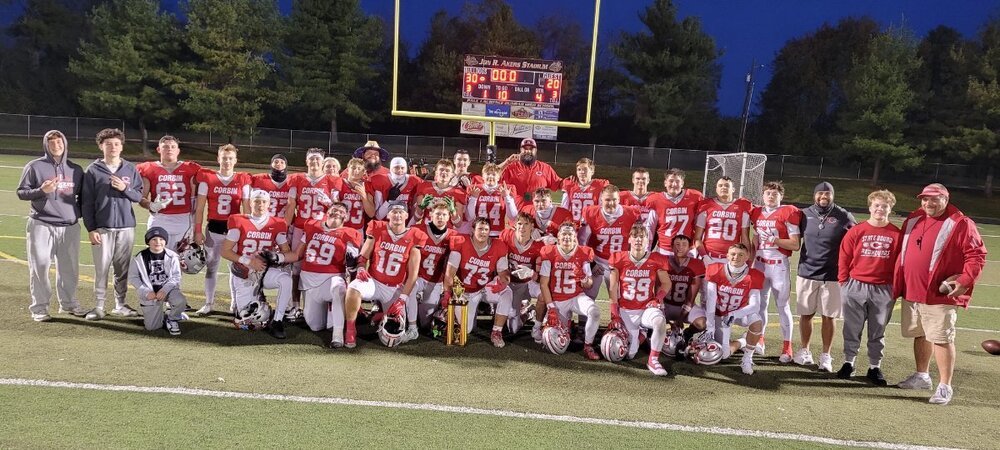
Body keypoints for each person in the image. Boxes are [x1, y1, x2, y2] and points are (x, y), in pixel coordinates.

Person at [894, 183, 987, 405]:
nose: (928, 203)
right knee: (921, 334)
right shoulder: (914, 219)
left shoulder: (960, 223)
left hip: (938, 293)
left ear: (946, 199)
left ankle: (945, 386)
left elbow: (976, 254)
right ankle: (921, 375)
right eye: (925, 199)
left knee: (942, 338)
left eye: (934, 199)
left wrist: (965, 280)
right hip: (913, 290)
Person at [18, 130, 86, 321]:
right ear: (46, 146)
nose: (56, 146)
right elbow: (21, 192)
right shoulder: (35, 167)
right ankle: (39, 308)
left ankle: (69, 304)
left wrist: (76, 214)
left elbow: (82, 197)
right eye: (52, 143)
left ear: (65, 144)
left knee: (70, 268)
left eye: (59, 142)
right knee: (40, 266)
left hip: (69, 226)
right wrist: (42, 190)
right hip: (42, 223)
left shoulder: (76, 169)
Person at [836, 190, 901, 385]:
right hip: (855, 285)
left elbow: (900, 263)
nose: (880, 209)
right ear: (870, 207)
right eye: (877, 205)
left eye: (884, 206)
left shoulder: (896, 234)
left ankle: (874, 366)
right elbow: (844, 256)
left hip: (883, 288)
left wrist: (895, 288)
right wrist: (843, 282)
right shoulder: (857, 230)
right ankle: (849, 362)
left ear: (890, 209)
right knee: (851, 327)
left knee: (877, 329)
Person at [81, 128, 145, 321]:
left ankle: (120, 304)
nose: (113, 147)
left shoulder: (130, 168)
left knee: (122, 268)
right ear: (101, 146)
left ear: (121, 146)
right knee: (101, 268)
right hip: (103, 227)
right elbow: (86, 202)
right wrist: (91, 228)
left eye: (117, 144)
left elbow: (138, 196)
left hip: (126, 226)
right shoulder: (93, 170)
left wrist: (125, 188)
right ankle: (99, 306)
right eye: (108, 144)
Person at [344, 202, 427, 347]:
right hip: (373, 282)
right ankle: (350, 330)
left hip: (394, 288)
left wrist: (402, 300)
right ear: (388, 215)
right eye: (394, 212)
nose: (397, 215)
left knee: (394, 333)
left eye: (401, 212)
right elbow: (363, 257)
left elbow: (413, 275)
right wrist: (361, 268)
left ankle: (380, 315)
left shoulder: (415, 236)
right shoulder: (377, 228)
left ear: (407, 216)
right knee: (353, 288)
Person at [794, 182, 856, 372]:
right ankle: (804, 350)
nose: (824, 196)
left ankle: (826, 356)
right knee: (806, 314)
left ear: (832, 195)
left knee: (829, 317)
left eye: (827, 193)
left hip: (832, 275)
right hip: (807, 272)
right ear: (814, 195)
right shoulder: (803, 214)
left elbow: (856, 240)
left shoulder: (843, 215)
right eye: (820, 193)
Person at [221, 189, 298, 339]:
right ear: (250, 203)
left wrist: (275, 257)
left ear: (269, 204)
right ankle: (258, 299)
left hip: (265, 269)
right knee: (245, 317)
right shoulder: (239, 220)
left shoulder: (277, 223)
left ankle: (277, 321)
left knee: (286, 279)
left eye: (263, 202)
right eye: (256, 201)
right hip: (246, 271)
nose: (260, 205)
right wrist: (249, 261)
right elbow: (225, 252)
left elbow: (287, 252)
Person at [285, 148, 344, 319]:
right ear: (306, 161)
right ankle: (295, 305)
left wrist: (330, 203)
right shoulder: (297, 179)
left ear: (322, 162)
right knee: (296, 266)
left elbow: (337, 207)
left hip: (321, 230)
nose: (314, 162)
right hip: (301, 227)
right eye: (311, 159)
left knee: (319, 265)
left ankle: (319, 304)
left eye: (317, 159)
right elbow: (291, 205)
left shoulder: (332, 180)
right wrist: (285, 228)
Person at [192, 144, 251, 315]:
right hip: (214, 229)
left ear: (235, 160)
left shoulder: (242, 179)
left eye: (230, 158)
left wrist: (247, 232)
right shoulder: (208, 178)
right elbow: (200, 208)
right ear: (218, 159)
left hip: (234, 231)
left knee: (237, 268)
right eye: (224, 158)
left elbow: (246, 209)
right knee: (212, 267)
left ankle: (235, 302)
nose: (227, 161)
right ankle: (209, 303)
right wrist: (197, 230)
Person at [608, 224, 672, 376]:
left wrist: (658, 298)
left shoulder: (656, 259)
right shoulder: (619, 258)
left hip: (646, 308)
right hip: (626, 310)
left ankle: (653, 359)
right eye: (635, 236)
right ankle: (641, 334)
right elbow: (613, 287)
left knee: (659, 321)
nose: (638, 240)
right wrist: (614, 313)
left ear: (647, 240)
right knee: (628, 354)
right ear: (629, 239)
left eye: (642, 237)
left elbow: (666, 283)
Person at [296, 202, 362, 347]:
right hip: (309, 280)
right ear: (327, 212)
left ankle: (338, 336)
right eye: (334, 209)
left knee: (338, 288)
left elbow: (352, 266)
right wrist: (279, 258)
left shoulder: (350, 233)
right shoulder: (312, 225)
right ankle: (332, 308)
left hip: (331, 278)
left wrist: (351, 266)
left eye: (341, 211)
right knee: (315, 325)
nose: (337, 212)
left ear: (346, 216)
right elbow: (297, 254)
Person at [749, 181, 801, 361]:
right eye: (768, 193)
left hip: (779, 265)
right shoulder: (756, 213)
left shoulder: (789, 212)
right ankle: (760, 341)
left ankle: (787, 348)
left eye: (774, 194)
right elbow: (755, 237)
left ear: (781, 196)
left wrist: (775, 240)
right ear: (763, 196)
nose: (771, 196)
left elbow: (795, 245)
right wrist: (750, 258)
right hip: (760, 264)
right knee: (760, 304)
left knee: (782, 306)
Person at [534, 222, 601, 360]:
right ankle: (566, 326)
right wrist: (551, 307)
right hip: (558, 300)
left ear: (575, 236)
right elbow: (543, 283)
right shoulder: (549, 252)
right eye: (564, 233)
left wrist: (585, 280)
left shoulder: (583, 252)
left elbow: (589, 283)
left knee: (594, 312)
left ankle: (588, 346)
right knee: (556, 342)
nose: (567, 237)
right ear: (558, 236)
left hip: (576, 296)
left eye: (570, 234)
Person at [442, 218, 513, 347]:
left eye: (486, 230)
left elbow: (503, 272)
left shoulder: (498, 246)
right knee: (466, 330)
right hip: (464, 292)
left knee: (507, 292)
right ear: (473, 230)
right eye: (480, 229)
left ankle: (496, 332)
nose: (483, 232)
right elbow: (450, 273)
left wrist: (504, 281)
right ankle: (445, 315)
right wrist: (447, 293)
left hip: (484, 288)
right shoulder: (461, 242)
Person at [703, 243, 765, 375]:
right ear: (727, 255)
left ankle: (747, 357)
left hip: (740, 313)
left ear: (747, 256)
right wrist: (710, 326)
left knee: (757, 322)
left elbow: (755, 306)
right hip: (721, 314)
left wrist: (734, 314)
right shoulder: (716, 269)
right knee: (724, 355)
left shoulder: (753, 275)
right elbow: (711, 300)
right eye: (733, 254)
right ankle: (742, 341)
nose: (736, 257)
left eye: (741, 255)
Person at [578, 185, 646, 300]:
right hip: (597, 260)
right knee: (588, 295)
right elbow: (581, 241)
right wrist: (591, 263)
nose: (611, 203)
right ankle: (583, 319)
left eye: (614, 200)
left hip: (620, 262)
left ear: (619, 200)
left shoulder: (632, 213)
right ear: (601, 200)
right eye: (607, 200)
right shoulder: (591, 213)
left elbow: (639, 238)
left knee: (620, 299)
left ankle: (617, 318)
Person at [137, 135, 202, 251]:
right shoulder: (149, 168)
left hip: (183, 219)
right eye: (165, 147)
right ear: (158, 149)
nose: (169, 149)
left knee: (179, 261)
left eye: (173, 147)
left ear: (178, 150)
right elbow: (142, 197)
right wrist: (150, 205)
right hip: (159, 218)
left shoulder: (191, 168)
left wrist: (195, 226)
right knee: (157, 257)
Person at [128, 227, 186, 335]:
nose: (158, 242)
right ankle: (162, 315)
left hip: (168, 291)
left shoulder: (172, 256)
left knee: (180, 301)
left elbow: (176, 277)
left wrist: (164, 290)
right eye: (154, 239)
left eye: (161, 239)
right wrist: (145, 291)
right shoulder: (139, 258)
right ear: (148, 242)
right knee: (152, 327)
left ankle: (172, 318)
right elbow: (133, 277)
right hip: (150, 293)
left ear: (166, 241)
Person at [499, 212, 545, 334]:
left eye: (526, 224)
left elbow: (542, 278)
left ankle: (535, 321)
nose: (522, 227)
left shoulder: (538, 246)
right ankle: (526, 313)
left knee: (544, 293)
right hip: (509, 283)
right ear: (514, 225)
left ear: (532, 227)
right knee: (512, 328)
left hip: (527, 283)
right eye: (519, 223)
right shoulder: (506, 236)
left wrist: (531, 273)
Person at [414, 201, 457, 330]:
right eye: (437, 214)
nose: (440, 217)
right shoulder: (419, 230)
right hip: (417, 277)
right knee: (404, 296)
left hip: (435, 280)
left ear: (449, 217)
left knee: (425, 322)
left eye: (444, 215)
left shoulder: (453, 235)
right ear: (431, 214)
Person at [693, 177, 752, 266]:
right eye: (720, 185)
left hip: (732, 259)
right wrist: (704, 256)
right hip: (708, 256)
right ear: (716, 189)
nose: (723, 187)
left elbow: (745, 239)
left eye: (727, 185)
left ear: (733, 189)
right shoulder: (706, 205)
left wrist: (746, 260)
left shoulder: (742, 206)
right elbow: (697, 238)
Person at [647, 168, 703, 256]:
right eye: (671, 181)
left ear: (682, 183)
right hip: (665, 250)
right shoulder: (656, 200)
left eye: (677, 181)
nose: (674, 184)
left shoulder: (694, 197)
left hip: (688, 250)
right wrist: (647, 250)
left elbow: (700, 225)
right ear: (665, 183)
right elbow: (650, 228)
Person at [663, 235, 706, 344]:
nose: (680, 248)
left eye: (684, 245)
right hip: (665, 305)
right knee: (649, 318)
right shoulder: (663, 261)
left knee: (701, 323)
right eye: (677, 244)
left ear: (690, 247)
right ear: (671, 247)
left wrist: (680, 320)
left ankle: (688, 333)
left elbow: (690, 299)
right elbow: (658, 291)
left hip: (684, 306)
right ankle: (651, 334)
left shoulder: (696, 264)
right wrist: (664, 319)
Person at [499, 138, 562, 208]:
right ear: (520, 150)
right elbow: (491, 175)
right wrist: (506, 162)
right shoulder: (510, 168)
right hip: (516, 211)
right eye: (525, 148)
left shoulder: (545, 168)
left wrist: (571, 181)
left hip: (538, 211)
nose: (528, 151)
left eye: (531, 149)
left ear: (536, 150)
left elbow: (559, 184)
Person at [466, 163, 518, 237]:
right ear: (483, 176)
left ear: (498, 177)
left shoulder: (506, 189)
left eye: (493, 174)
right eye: (488, 174)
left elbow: (513, 216)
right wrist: (473, 198)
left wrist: (507, 197)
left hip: (498, 233)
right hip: (479, 233)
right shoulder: (475, 189)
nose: (490, 176)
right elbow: (469, 217)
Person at [411, 159, 466, 227]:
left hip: (445, 231)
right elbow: (416, 218)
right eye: (441, 169)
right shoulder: (424, 187)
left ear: (452, 174)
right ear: (436, 172)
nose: (444, 172)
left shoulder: (458, 192)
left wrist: (453, 211)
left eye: (447, 170)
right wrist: (421, 207)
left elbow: (458, 224)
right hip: (426, 228)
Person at [560, 158, 609, 223]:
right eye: (579, 170)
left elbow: (602, 209)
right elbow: (564, 209)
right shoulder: (570, 185)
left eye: (585, 169)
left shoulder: (599, 186)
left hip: (592, 226)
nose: (582, 172)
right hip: (573, 226)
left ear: (592, 171)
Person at [335, 158, 375, 230]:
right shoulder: (339, 182)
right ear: (347, 170)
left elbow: (371, 213)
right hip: (339, 227)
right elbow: (334, 206)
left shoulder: (367, 186)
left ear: (364, 172)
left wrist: (363, 195)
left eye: (359, 169)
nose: (356, 171)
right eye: (353, 168)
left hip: (357, 229)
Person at [251, 154, 293, 223]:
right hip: (265, 222)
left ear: (286, 166)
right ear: (271, 164)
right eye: (276, 162)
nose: (279, 164)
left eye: (282, 162)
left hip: (285, 222)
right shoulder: (261, 179)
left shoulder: (292, 181)